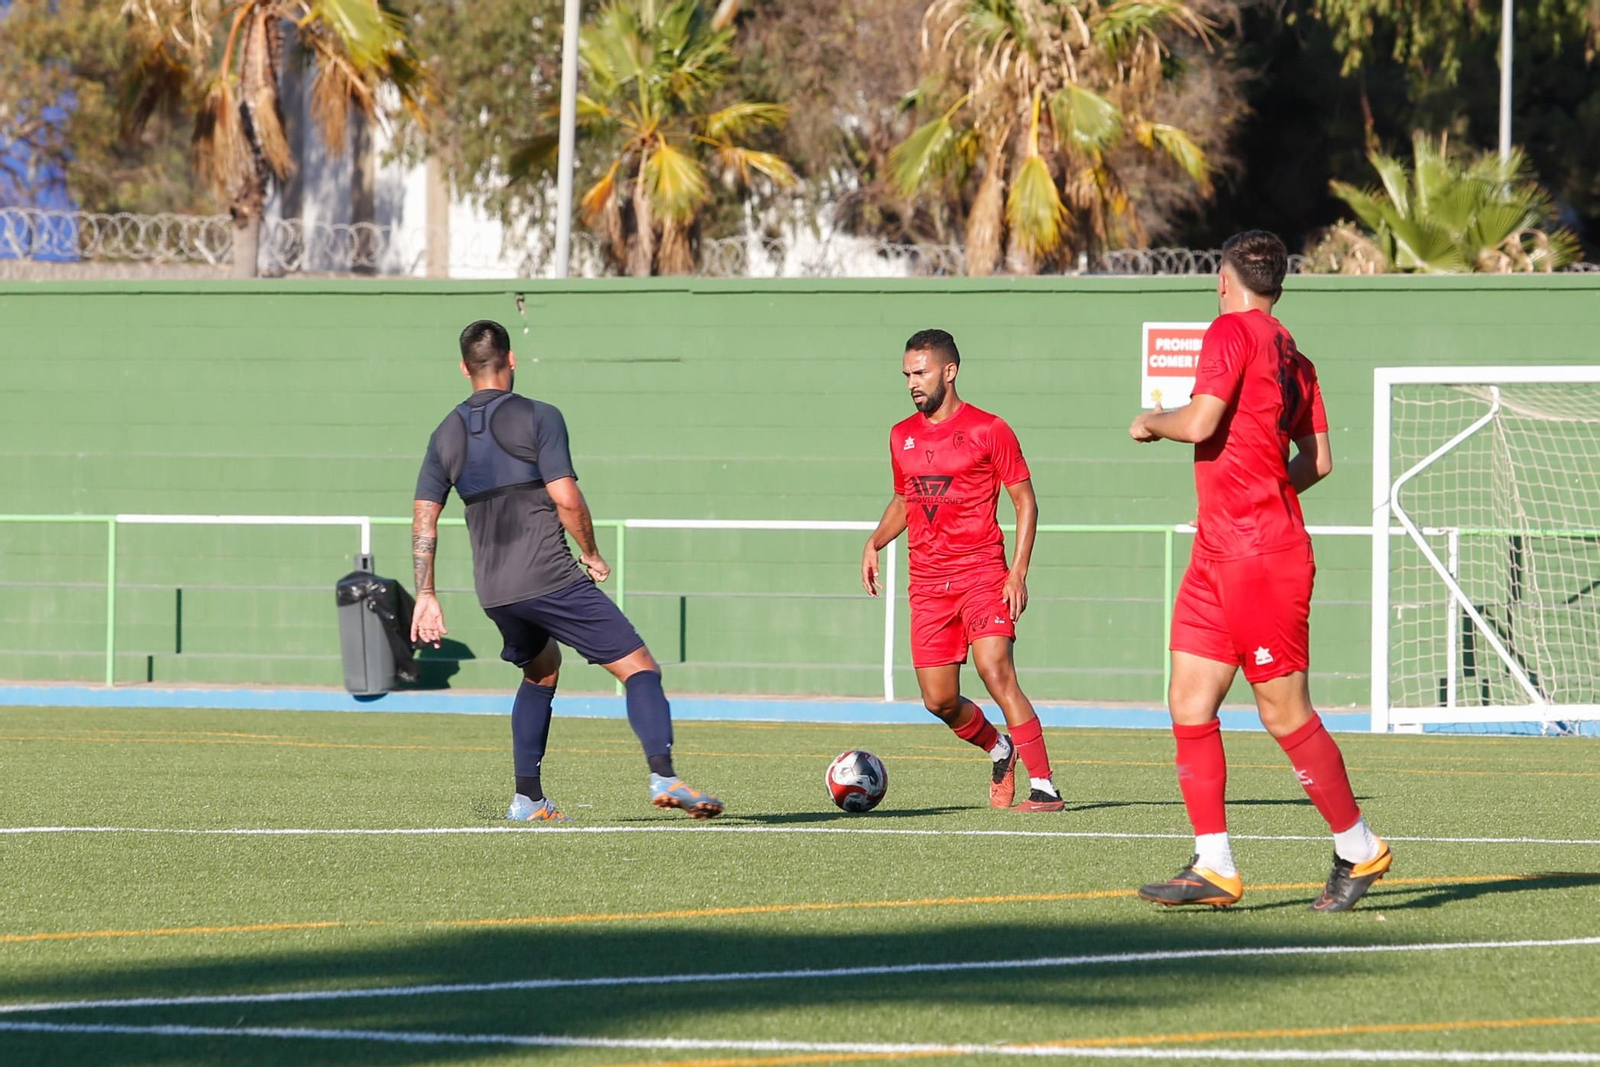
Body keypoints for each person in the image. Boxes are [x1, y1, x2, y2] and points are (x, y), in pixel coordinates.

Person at [1128, 230, 1390, 912]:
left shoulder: (1229, 331)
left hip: (1259, 557)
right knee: (1189, 698)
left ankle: (1359, 845)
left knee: (1283, 709)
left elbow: (1201, 420)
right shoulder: (1295, 357)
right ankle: (1214, 863)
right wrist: (1259, 492)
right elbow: (1319, 459)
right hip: (1220, 551)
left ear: (1224, 279)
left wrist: (1152, 421)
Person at [410, 319, 722, 823]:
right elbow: (565, 497)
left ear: (464, 369)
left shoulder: (443, 433)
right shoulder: (540, 416)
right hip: (548, 575)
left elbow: (425, 517)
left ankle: (528, 800)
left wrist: (426, 592)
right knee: (640, 668)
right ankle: (663, 774)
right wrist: (592, 552)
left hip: (494, 590)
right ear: (511, 360)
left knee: (541, 671)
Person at [861, 329, 1064, 813]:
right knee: (939, 701)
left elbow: (1026, 502)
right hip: (928, 585)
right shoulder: (900, 435)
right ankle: (1000, 749)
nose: (913, 382)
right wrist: (874, 540)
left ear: (949, 372)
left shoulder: (990, 429)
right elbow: (906, 498)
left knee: (996, 670)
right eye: (907, 373)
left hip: (981, 574)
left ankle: (1045, 786)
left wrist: (1016, 573)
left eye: (921, 372)